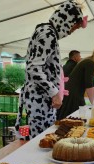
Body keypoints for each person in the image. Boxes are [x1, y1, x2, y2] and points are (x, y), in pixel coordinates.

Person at [15, 0, 84, 139]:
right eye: (73, 27)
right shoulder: (48, 35)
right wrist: (54, 93)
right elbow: (34, 68)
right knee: (41, 142)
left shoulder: (45, 31)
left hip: (41, 99)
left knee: (45, 140)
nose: (72, 31)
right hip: (40, 100)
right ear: (66, 20)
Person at [57, 45, 94, 120]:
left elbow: (90, 84)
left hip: (72, 92)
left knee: (71, 119)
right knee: (72, 119)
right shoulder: (90, 63)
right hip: (74, 94)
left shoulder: (88, 61)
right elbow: (89, 86)